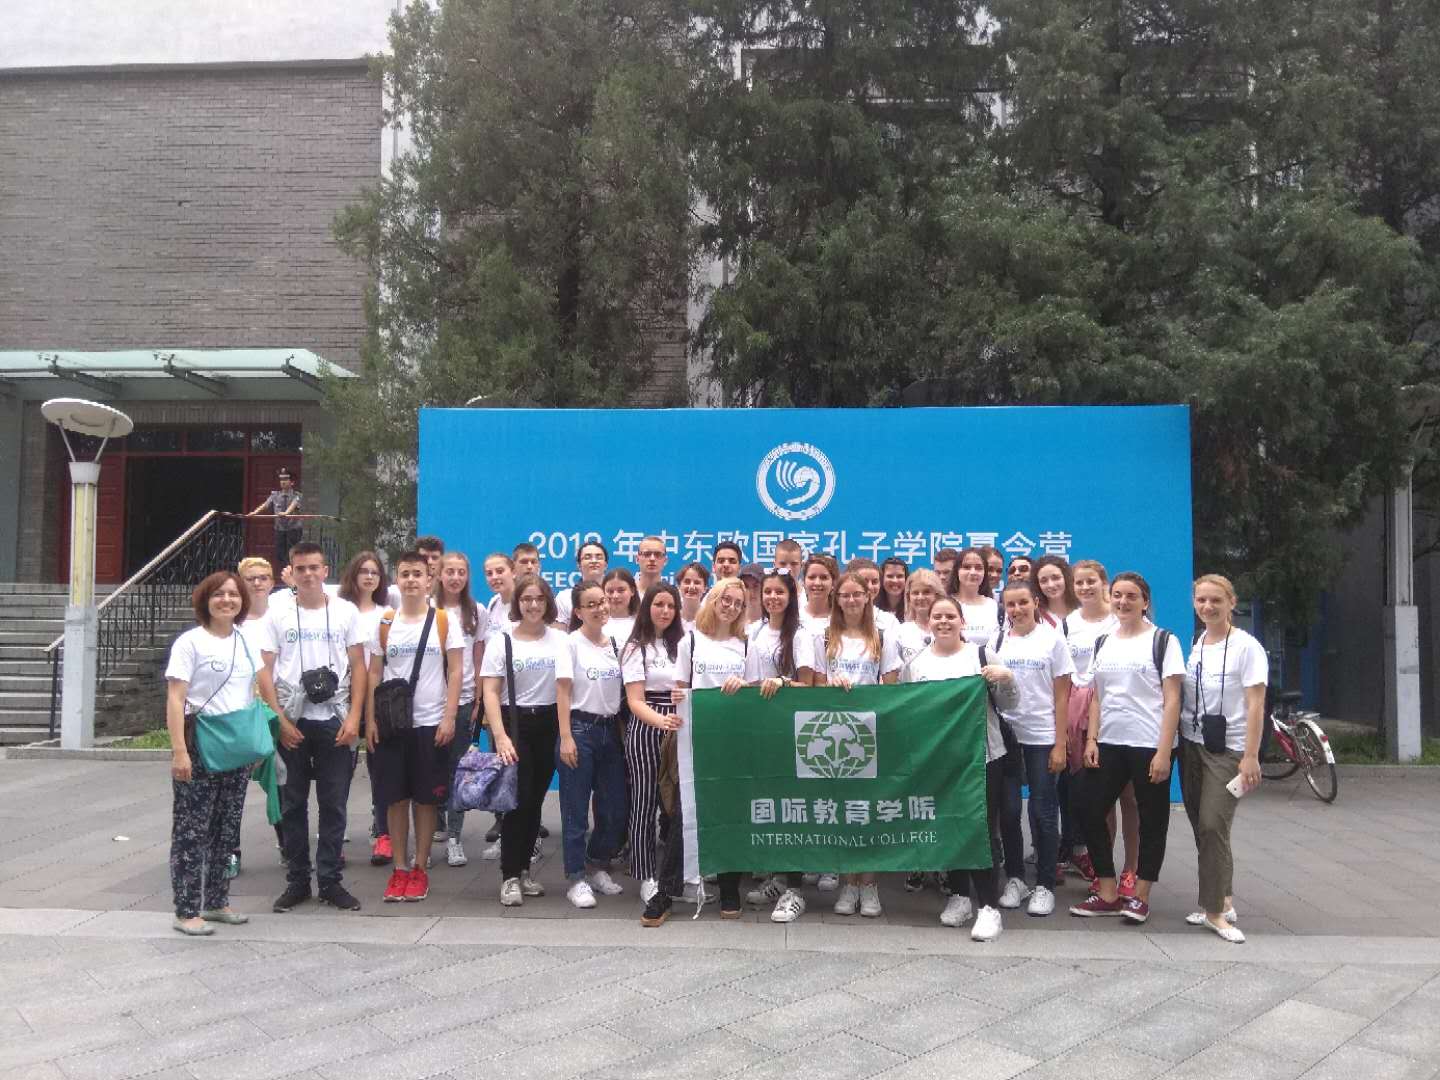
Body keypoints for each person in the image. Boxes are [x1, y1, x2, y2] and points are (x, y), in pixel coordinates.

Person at [165, 571, 282, 935]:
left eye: (233, 594)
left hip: (236, 747)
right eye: (218, 594)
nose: (227, 600)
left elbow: (259, 686)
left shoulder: (246, 640)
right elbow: (176, 698)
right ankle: (187, 910)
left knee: (227, 828)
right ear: (205, 600)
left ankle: (217, 901)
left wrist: (266, 732)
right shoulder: (190, 643)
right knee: (192, 830)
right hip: (200, 743)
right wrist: (179, 751)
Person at [900, 595, 1016, 941]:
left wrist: (1007, 678)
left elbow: (1010, 703)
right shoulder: (917, 663)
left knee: (981, 829)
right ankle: (960, 895)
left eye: (950, 616)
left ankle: (989, 907)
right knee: (949, 826)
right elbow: (907, 710)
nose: (944, 621)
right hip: (940, 760)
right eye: (937, 616)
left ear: (962, 621)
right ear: (928, 622)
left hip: (983, 757)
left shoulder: (982, 655)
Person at [1070, 572, 1184, 924]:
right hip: (1110, 741)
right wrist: (1092, 739)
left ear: (1145, 602)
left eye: (1131, 596)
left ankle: (1141, 895)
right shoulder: (1104, 641)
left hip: (1149, 743)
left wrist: (1163, 752)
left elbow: (1172, 699)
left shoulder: (1164, 640)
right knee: (1089, 809)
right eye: (1117, 595)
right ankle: (1107, 891)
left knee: (1152, 819)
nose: (1123, 602)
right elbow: (1098, 695)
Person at [260, 542, 367, 913]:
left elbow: (359, 666)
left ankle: (331, 882)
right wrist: (279, 719)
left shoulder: (345, 611)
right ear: (291, 571)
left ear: (325, 571)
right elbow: (265, 670)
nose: (307, 574)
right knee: (292, 804)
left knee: (334, 804)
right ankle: (297, 881)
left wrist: (354, 718)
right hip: (293, 720)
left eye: (314, 567)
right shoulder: (277, 613)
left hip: (335, 720)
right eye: (300, 568)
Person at [644, 577, 750, 924]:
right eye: (725, 599)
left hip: (733, 740)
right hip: (695, 740)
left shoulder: (746, 643)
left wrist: (744, 684)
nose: (730, 606)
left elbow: (758, 689)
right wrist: (678, 699)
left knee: (729, 813)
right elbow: (680, 690)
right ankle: (666, 891)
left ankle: (730, 887)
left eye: (738, 603)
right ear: (714, 599)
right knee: (683, 814)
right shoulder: (690, 640)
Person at [368, 551, 464, 903]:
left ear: (429, 580)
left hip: (430, 722)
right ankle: (399, 868)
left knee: (426, 800)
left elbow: (456, 670)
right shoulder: (385, 622)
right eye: (405, 573)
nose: (411, 580)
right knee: (395, 799)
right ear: (397, 579)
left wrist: (449, 716)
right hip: (393, 725)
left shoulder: (444, 620)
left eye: (417, 574)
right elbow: (374, 672)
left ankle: (420, 868)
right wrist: (370, 720)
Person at [1181, 574, 1266, 943]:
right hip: (1191, 744)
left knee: (1213, 824)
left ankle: (1215, 912)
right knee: (1204, 826)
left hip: (1227, 749)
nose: (1208, 607)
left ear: (1232, 602)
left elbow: (1256, 703)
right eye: (1201, 600)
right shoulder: (1197, 642)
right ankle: (1222, 899)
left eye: (1216, 600)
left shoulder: (1247, 647)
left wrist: (1251, 756)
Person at [481, 575, 573, 906]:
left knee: (534, 802)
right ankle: (509, 876)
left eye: (539, 599)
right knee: (516, 802)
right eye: (526, 599)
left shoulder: (559, 639)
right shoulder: (502, 640)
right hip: (514, 723)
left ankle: (523, 871)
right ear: (517, 603)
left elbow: (564, 688)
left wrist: (565, 734)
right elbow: (490, 691)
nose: (533, 605)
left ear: (547, 602)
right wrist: (500, 736)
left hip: (548, 723)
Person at [816, 570, 901, 918]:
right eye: (845, 595)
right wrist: (830, 686)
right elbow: (815, 684)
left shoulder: (883, 636)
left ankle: (869, 884)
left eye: (857, 594)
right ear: (836, 599)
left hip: (870, 733)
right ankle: (848, 883)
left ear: (868, 597)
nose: (851, 600)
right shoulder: (825, 636)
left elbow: (891, 687)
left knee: (869, 810)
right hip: (833, 732)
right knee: (842, 809)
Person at [990, 579, 1074, 917]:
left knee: (1042, 811)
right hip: (1006, 736)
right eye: (1010, 604)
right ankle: (1015, 878)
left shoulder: (1053, 640)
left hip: (1042, 736)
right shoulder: (998, 641)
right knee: (1009, 811)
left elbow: (1063, 695)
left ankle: (1044, 885)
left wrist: (1060, 743)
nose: (1017, 609)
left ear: (1035, 602)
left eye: (1023, 602)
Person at [743, 570, 816, 923]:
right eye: (767, 592)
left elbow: (810, 684)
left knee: (794, 807)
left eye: (779, 592)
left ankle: (795, 889)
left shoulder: (801, 635)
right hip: (763, 730)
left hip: (793, 730)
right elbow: (752, 682)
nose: (772, 597)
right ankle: (777, 877)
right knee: (771, 804)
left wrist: (782, 682)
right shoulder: (755, 632)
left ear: (791, 597)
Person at [559, 582, 630, 908]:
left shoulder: (615, 643)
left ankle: (596, 863)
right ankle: (575, 878)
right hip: (579, 729)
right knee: (575, 810)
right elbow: (563, 692)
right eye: (591, 605)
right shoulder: (570, 644)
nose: (601, 608)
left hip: (609, 732)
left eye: (602, 602)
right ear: (578, 612)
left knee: (614, 807)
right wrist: (566, 737)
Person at [622, 583, 685, 909]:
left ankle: (679, 875)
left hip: (680, 726)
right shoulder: (636, 647)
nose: (665, 611)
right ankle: (646, 874)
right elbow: (634, 701)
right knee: (645, 802)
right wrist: (661, 721)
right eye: (659, 604)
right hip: (647, 728)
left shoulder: (683, 644)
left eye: (671, 606)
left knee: (679, 805)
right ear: (647, 607)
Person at [1067, 560, 1125, 885]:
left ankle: (1121, 868)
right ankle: (1101, 868)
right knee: (1093, 796)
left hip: (1112, 710)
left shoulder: (1119, 618)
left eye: (1091, 581)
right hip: (1078, 715)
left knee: (1119, 797)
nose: (1085, 587)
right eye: (1079, 582)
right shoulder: (1069, 622)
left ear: (1104, 583)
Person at [338, 552, 394, 868]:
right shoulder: (339, 610)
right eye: (363, 571)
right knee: (340, 771)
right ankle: (335, 836)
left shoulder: (387, 614)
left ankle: (383, 833)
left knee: (380, 767)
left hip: (379, 698)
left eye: (375, 572)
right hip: (342, 698)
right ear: (353, 575)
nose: (369, 577)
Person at [433, 552, 488, 866]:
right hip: (429, 703)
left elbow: (479, 656)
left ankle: (454, 837)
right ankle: (430, 831)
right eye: (449, 572)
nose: (455, 578)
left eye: (461, 572)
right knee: (429, 771)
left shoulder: (476, 611)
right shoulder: (428, 608)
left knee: (459, 772)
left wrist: (479, 698)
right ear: (439, 574)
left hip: (465, 700)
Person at [247, 468, 302, 570]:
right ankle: (286, 570)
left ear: (292, 482)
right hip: (279, 528)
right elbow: (265, 505)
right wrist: (254, 513)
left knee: (293, 552)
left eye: (286, 480)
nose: (283, 482)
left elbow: (294, 505)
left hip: (293, 529)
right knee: (280, 553)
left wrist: (286, 513)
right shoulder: (275, 495)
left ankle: (292, 571)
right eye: (281, 480)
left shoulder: (297, 495)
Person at [953, 547, 1000, 645]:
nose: (973, 572)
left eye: (978, 568)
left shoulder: (994, 606)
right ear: (957, 571)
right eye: (966, 567)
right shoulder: (945, 604)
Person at [556, 539, 608, 627]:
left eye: (599, 557)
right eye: (587, 557)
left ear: (606, 565)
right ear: (579, 565)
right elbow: (560, 632)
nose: (594, 561)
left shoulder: (614, 596)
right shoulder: (564, 597)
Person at [846, 557, 900, 634]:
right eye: (864, 581)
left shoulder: (890, 622)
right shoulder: (834, 620)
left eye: (874, 582)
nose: (870, 587)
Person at [601, 567, 640, 646]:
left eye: (621, 590)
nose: (615, 596)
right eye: (610, 591)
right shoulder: (595, 624)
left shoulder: (642, 624)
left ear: (632, 591)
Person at [800, 554, 837, 634]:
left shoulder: (841, 620)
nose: (817, 583)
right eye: (812, 577)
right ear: (803, 582)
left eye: (824, 577)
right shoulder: (794, 618)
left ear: (833, 583)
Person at [677, 562, 710, 632]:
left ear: (705, 588)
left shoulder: (711, 620)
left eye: (697, 582)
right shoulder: (671, 619)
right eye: (687, 582)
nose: (691, 587)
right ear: (679, 586)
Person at [739, 562, 766, 630]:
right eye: (746, 586)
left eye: (756, 586)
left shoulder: (773, 622)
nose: (751, 592)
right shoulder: (733, 620)